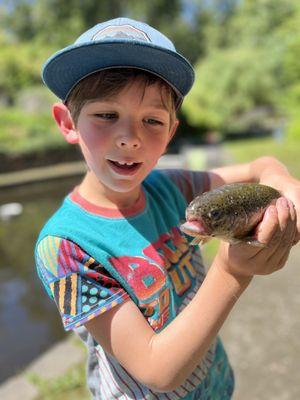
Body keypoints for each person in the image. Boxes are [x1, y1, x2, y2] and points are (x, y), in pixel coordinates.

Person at [35, 17, 300, 399]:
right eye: (107, 115)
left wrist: (284, 182)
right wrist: (232, 271)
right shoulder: (64, 247)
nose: (130, 138)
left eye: (152, 120)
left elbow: (260, 168)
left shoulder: (172, 188)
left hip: (215, 385)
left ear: (171, 131)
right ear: (67, 121)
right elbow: (156, 369)